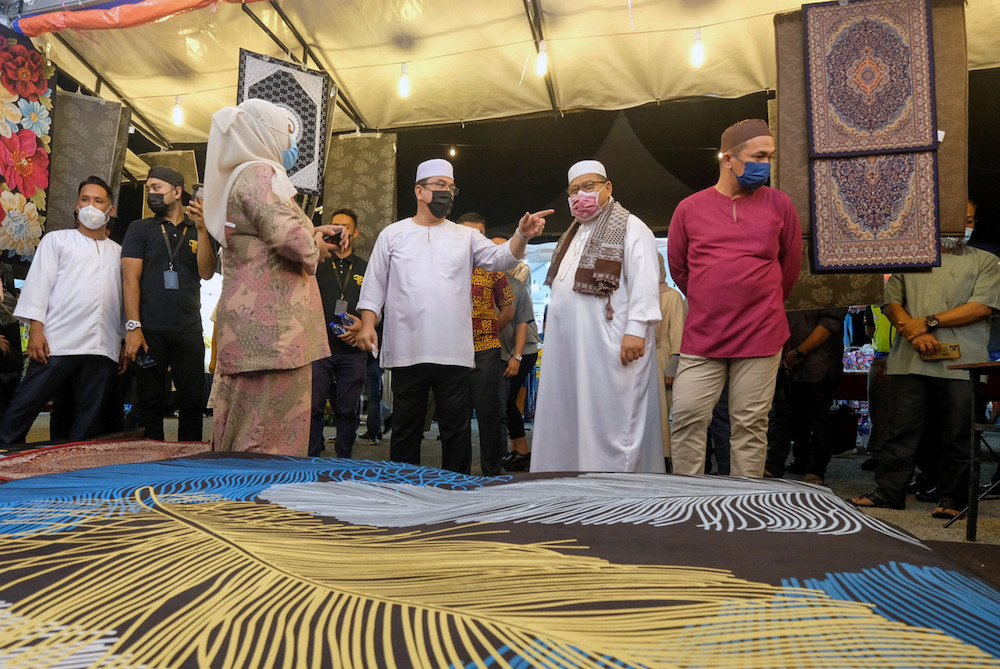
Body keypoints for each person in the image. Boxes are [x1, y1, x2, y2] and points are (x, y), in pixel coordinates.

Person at [355, 158, 551, 474]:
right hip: (408, 349)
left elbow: (500, 258)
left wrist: (522, 235)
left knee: (455, 429)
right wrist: (367, 324)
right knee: (406, 428)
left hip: (455, 352)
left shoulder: (465, 236)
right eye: (440, 186)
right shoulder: (393, 234)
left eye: (451, 187)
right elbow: (375, 284)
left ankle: (455, 495)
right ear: (419, 191)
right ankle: (405, 492)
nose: (447, 192)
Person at [202, 98, 346, 456]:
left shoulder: (243, 173)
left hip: (260, 328)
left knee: (250, 422)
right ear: (265, 134)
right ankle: (257, 505)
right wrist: (315, 247)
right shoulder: (260, 172)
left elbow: (270, 230)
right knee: (267, 435)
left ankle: (241, 499)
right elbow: (288, 236)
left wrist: (313, 232)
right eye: (287, 135)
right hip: (273, 332)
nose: (291, 146)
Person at [667, 118, 802, 478]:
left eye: (770, 157)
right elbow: (679, 270)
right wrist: (711, 298)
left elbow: (789, 269)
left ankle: (745, 510)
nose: (767, 165)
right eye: (759, 156)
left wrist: (762, 302)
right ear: (728, 159)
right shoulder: (689, 208)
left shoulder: (780, 205)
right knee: (687, 417)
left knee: (750, 426)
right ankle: (685, 503)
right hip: (703, 335)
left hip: (761, 334)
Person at [850, 237, 1000, 517]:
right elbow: (890, 302)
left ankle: (953, 499)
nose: (965, 226)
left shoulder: (985, 260)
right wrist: (914, 332)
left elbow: (982, 306)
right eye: (959, 218)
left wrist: (929, 322)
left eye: (970, 219)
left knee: (958, 433)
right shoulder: (911, 257)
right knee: (900, 429)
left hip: (963, 362)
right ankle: (889, 491)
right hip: (910, 358)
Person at [530, 159, 664, 474]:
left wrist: (637, 329)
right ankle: (570, 480)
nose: (580, 195)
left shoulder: (632, 227)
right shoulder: (571, 234)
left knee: (613, 419)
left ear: (608, 187)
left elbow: (646, 281)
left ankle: (613, 489)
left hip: (613, 343)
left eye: (588, 187)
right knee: (571, 415)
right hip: (570, 349)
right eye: (574, 190)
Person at [0, 176, 125, 446]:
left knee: (89, 417)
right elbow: (38, 285)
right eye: (85, 199)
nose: (90, 205)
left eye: (98, 200)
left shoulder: (119, 252)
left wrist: (124, 339)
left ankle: (75, 466)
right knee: (26, 402)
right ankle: (4, 449)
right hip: (57, 341)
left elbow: (124, 299)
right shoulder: (57, 241)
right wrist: (36, 329)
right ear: (77, 206)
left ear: (111, 210)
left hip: (102, 345)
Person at [121, 166, 217, 442]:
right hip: (150, 329)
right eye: (148, 188)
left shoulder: (198, 228)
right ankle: (153, 461)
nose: (150, 193)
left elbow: (207, 272)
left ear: (177, 192)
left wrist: (201, 229)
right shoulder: (139, 229)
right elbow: (130, 280)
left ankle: (189, 463)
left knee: (191, 402)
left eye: (156, 188)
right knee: (150, 400)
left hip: (188, 330)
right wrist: (134, 327)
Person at [457, 213, 515, 476]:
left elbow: (508, 308)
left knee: (490, 413)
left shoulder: (493, 267)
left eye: (478, 234)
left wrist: (488, 330)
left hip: (486, 351)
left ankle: (492, 469)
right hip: (451, 351)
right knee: (455, 415)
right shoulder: (443, 266)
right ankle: (458, 471)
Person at [308, 207, 369, 458]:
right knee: (313, 408)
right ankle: (310, 461)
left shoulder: (367, 267)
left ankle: (344, 462)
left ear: (355, 232)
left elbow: (378, 307)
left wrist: (364, 326)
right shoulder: (316, 262)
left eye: (345, 226)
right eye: (335, 225)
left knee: (347, 410)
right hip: (318, 348)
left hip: (352, 351)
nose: (339, 230)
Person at [764, 307, 848, 486]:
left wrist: (800, 352)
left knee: (818, 419)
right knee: (781, 415)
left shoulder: (833, 283)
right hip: (785, 359)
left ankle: (815, 470)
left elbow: (830, 323)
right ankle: (775, 465)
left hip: (819, 361)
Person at [495, 250, 540, 472]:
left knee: (508, 400)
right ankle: (518, 449)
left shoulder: (516, 279)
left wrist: (517, 357)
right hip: (509, 350)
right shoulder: (485, 279)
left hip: (524, 349)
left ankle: (522, 451)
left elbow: (521, 322)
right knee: (507, 400)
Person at [654, 252, 685, 469]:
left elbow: (678, 334)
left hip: (661, 358)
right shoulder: (632, 294)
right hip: (637, 359)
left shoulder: (672, 296)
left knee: (661, 411)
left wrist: (673, 367)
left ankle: (662, 460)